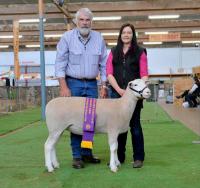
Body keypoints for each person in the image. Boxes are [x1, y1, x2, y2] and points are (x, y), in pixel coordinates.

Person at [55, 8, 107, 169]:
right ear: (77, 21)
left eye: (88, 20)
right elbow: (60, 63)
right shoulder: (67, 38)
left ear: (91, 22)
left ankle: (87, 153)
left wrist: (103, 85)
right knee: (75, 119)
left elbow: (104, 64)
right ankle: (76, 156)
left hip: (92, 84)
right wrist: (63, 86)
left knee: (90, 120)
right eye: (82, 20)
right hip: (74, 84)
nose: (85, 22)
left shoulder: (99, 38)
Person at [106, 23, 148, 168]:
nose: (126, 35)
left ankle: (138, 157)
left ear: (133, 35)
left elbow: (144, 75)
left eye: (129, 32)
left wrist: (135, 91)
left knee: (135, 126)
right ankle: (119, 157)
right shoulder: (113, 51)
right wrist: (118, 89)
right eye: (124, 32)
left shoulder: (140, 52)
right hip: (116, 94)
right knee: (117, 127)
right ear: (120, 34)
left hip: (133, 97)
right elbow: (109, 73)